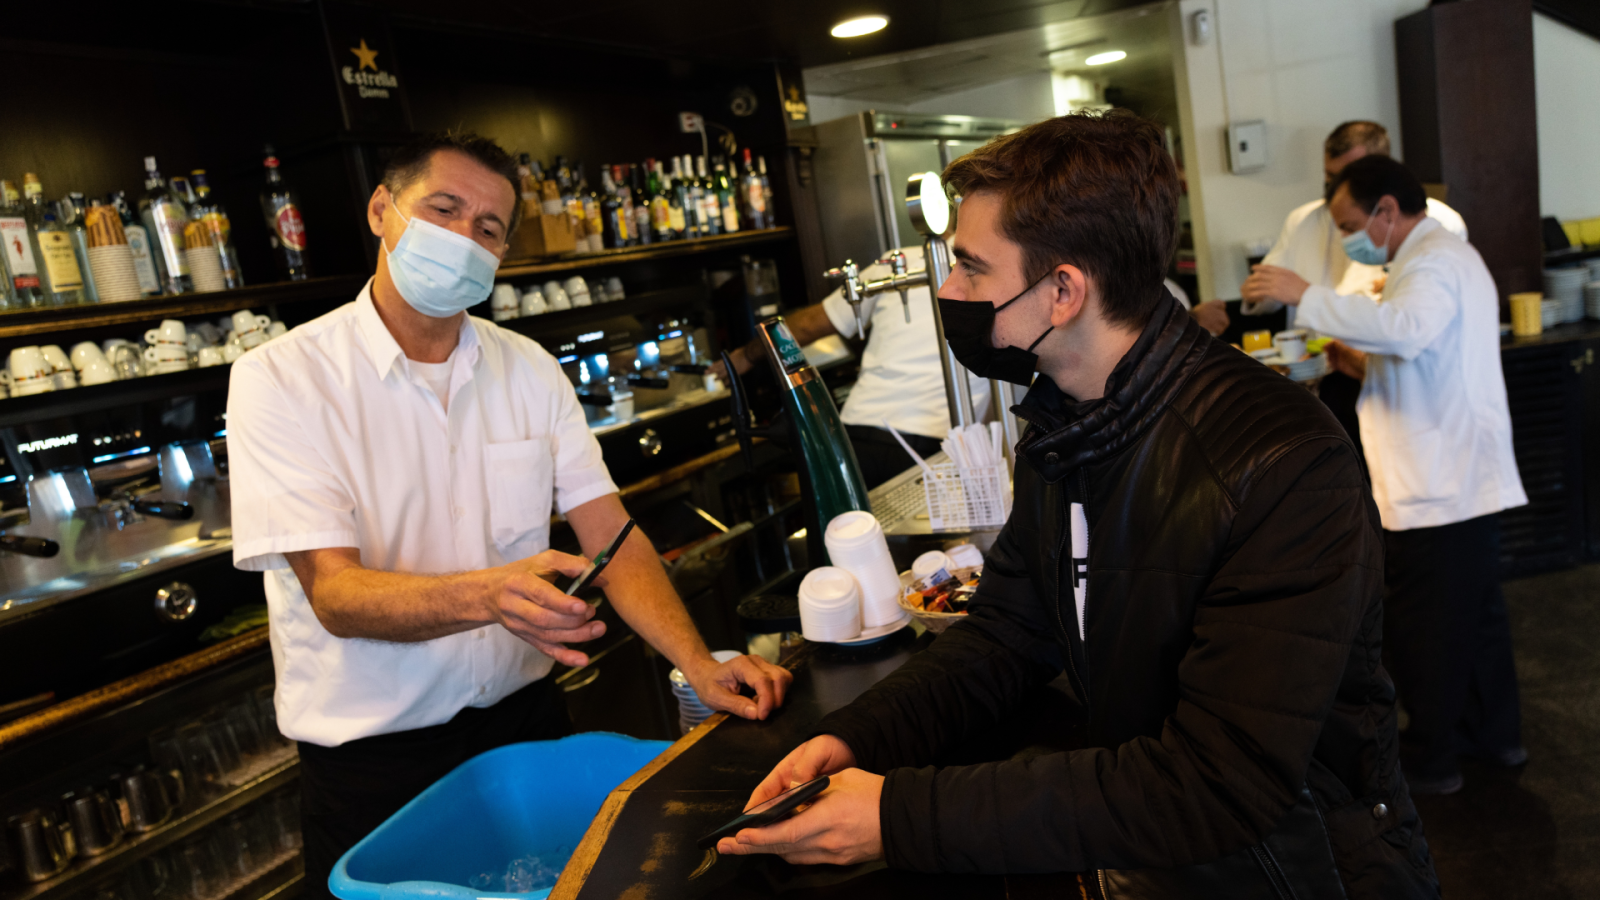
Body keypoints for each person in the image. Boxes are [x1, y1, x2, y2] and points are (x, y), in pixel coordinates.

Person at [715, 111, 1438, 898]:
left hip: (1300, 870)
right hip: (1156, 859)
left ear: (1062, 291)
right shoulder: (1066, 421)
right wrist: (856, 738)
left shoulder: (1284, 463)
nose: (948, 293)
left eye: (970, 270)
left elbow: (1217, 784)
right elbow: (1008, 634)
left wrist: (899, 816)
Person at [227, 132, 792, 897]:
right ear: (381, 211)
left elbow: (610, 533)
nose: (465, 239)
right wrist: (490, 594)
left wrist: (697, 662)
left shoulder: (528, 369)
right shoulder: (281, 379)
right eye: (445, 209)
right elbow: (335, 594)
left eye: (489, 229)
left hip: (525, 731)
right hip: (373, 765)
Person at [1256, 154, 1529, 796]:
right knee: (1474, 619)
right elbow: (1416, 354)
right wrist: (1353, 362)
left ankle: (1436, 761)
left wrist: (1305, 296)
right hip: (1447, 477)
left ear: (1386, 211)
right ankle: (1496, 740)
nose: (1350, 236)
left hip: (1443, 483)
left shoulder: (1434, 257)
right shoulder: (1418, 262)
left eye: (1352, 223)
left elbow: (1405, 333)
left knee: (1428, 628)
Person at [713, 258, 1226, 490]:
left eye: (970, 268)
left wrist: (740, 360)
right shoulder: (917, 267)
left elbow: (797, 328)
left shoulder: (906, 266)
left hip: (855, 441)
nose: (952, 289)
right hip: (906, 448)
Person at [1242, 120, 1467, 327]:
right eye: (1330, 178)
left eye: (1349, 177)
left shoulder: (1436, 224)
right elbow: (1271, 291)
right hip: (1317, 355)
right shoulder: (1303, 220)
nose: (1338, 189)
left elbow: (1407, 322)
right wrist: (1260, 292)